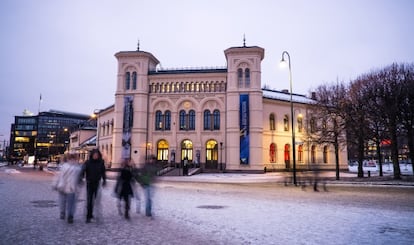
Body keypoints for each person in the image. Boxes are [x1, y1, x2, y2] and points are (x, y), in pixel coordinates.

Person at [52, 153, 82, 224]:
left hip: (65, 187)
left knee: (65, 202)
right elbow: (58, 176)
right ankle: (68, 214)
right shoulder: (76, 168)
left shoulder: (65, 166)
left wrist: (55, 184)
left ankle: (67, 214)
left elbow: (57, 176)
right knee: (69, 203)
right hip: (69, 187)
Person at [80, 149, 107, 223]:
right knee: (89, 200)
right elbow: (83, 171)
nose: (95, 156)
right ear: (92, 155)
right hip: (89, 182)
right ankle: (88, 216)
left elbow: (103, 172)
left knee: (97, 200)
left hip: (97, 182)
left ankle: (97, 215)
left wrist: (104, 180)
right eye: (94, 155)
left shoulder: (101, 162)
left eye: (97, 155)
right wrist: (81, 177)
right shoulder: (88, 162)